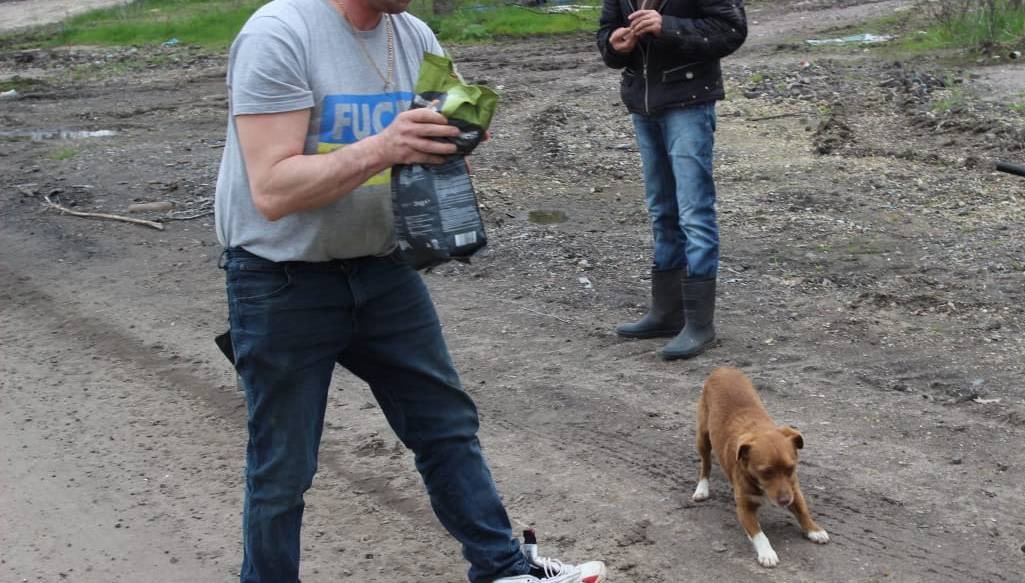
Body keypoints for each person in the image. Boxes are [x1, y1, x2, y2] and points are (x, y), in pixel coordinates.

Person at [213, 1, 607, 582]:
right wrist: (383, 145)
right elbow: (271, 188)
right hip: (282, 280)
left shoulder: (415, 35)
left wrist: (455, 136)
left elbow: (423, 141)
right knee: (283, 470)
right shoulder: (280, 33)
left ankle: (502, 569)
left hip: (382, 270)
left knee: (446, 427)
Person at [597, 0, 747, 360]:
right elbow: (606, 32)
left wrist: (668, 27)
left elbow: (731, 30)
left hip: (689, 103)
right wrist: (613, 44)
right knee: (661, 209)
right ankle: (666, 313)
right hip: (643, 106)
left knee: (694, 211)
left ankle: (700, 324)